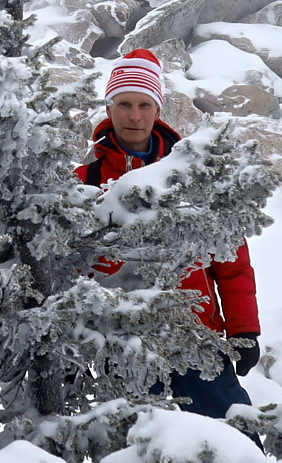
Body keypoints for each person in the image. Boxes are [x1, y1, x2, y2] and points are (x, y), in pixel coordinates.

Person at [79, 48, 261, 422]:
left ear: (158, 111)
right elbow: (69, 270)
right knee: (138, 448)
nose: (134, 115)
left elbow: (230, 258)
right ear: (109, 109)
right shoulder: (85, 184)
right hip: (123, 342)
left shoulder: (192, 178)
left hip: (197, 335)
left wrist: (244, 328)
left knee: (233, 435)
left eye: (144, 105)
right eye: (125, 104)